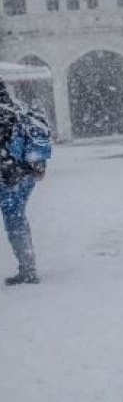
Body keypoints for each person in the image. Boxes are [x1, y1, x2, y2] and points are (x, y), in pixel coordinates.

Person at [0, 80, 43, 286]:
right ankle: (28, 266)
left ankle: (28, 269)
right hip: (26, 173)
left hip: (10, 175)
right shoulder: (15, 108)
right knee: (16, 218)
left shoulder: (3, 114)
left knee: (14, 219)